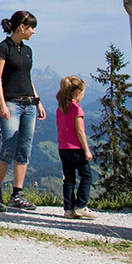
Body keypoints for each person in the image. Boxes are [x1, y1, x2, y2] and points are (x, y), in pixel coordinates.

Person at [0, 10, 43, 212]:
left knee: (24, 150)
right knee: (9, 147)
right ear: (22, 27)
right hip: (11, 103)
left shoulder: (27, 51)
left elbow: (27, 77)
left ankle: (17, 194)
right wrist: (1, 103)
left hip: (29, 104)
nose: (34, 32)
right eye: (32, 27)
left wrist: (37, 102)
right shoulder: (2, 48)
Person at [56, 76, 96, 219]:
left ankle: (68, 209)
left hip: (63, 148)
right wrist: (87, 150)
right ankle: (81, 205)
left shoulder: (61, 108)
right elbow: (80, 131)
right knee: (86, 176)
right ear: (77, 92)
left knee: (69, 179)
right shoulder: (76, 109)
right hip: (76, 148)